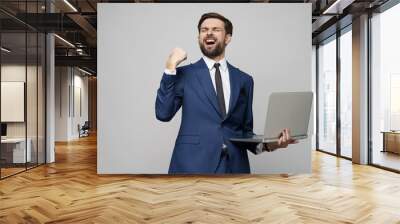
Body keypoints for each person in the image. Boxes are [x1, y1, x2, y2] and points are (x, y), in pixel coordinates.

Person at [155, 12, 297, 174]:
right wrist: (170, 66)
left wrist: (272, 144)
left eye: (216, 29)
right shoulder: (183, 74)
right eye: (204, 29)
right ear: (199, 37)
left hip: (234, 166)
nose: (208, 32)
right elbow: (163, 113)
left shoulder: (244, 80)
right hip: (192, 164)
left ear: (227, 38)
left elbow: (244, 134)